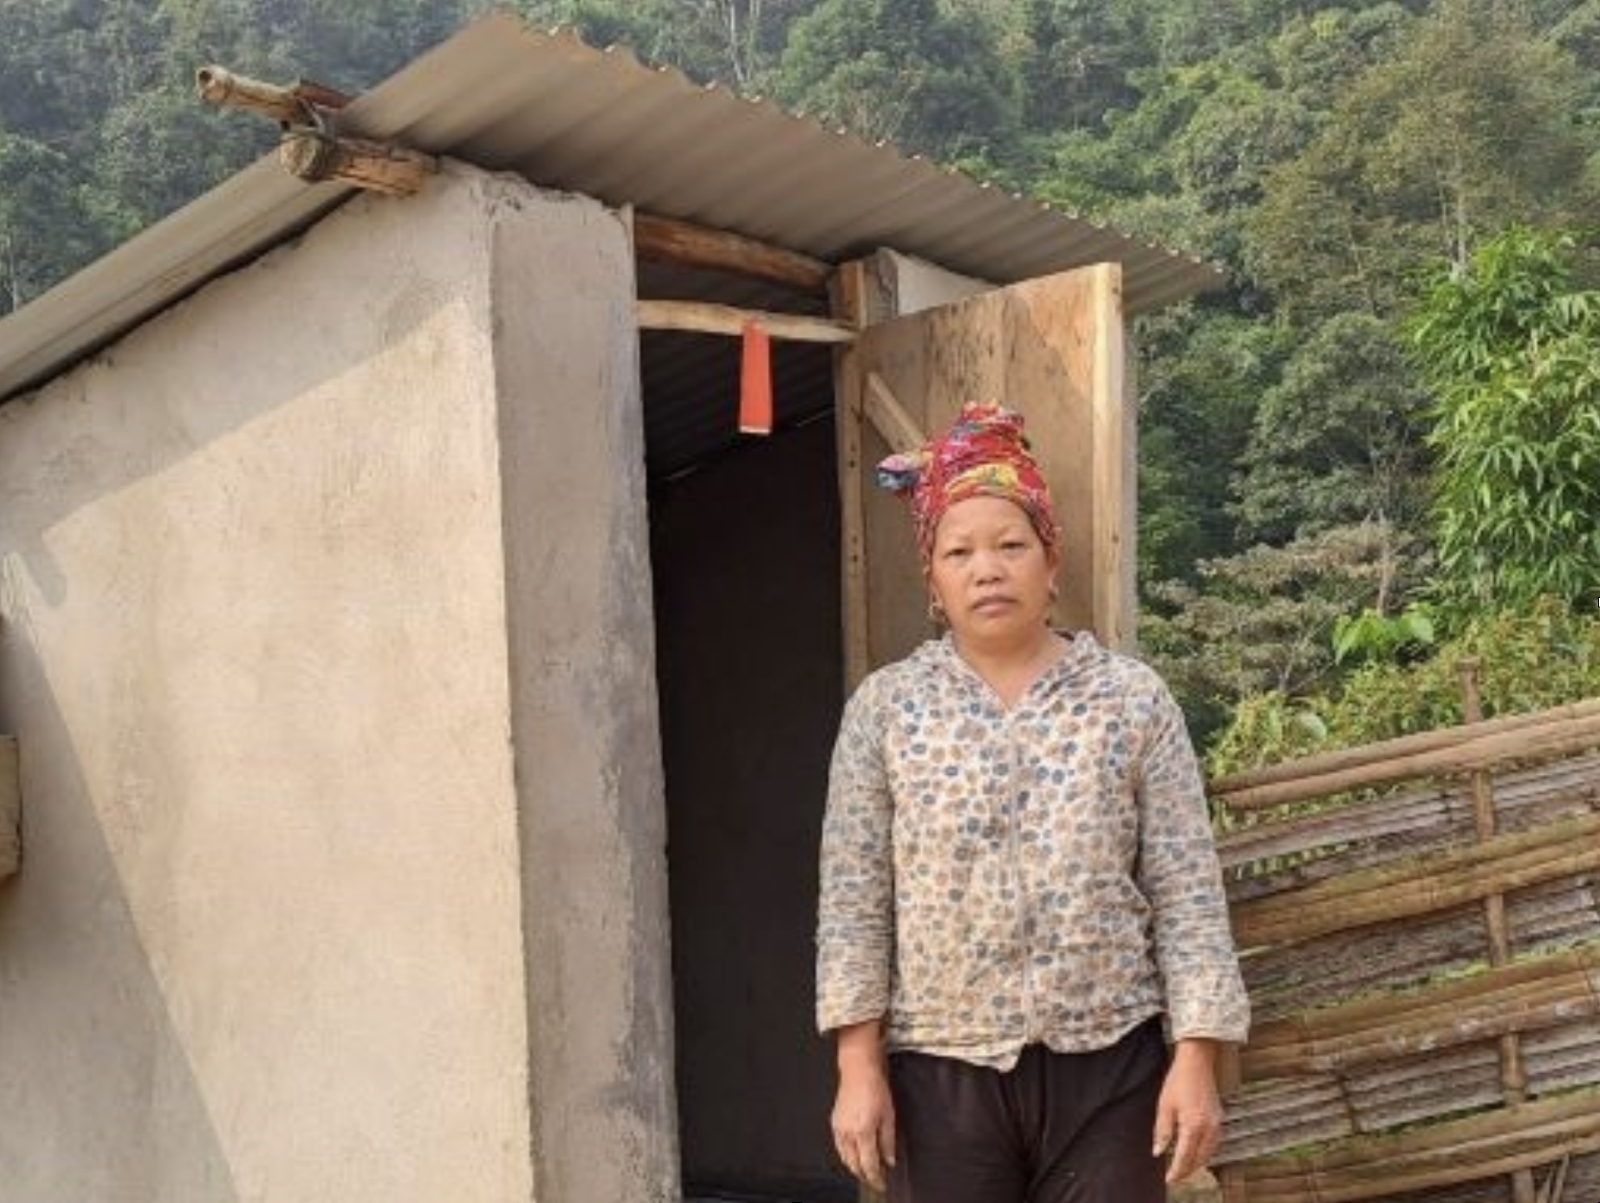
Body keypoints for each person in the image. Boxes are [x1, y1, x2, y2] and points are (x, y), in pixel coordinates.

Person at [815, 402, 1249, 1203]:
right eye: (960, 552)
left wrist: (1196, 1056)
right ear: (933, 581)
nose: (988, 567)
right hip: (939, 1074)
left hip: (1111, 1066)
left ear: (1051, 563)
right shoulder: (887, 709)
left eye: (1012, 545)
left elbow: (1187, 887)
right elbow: (854, 898)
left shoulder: (1130, 699)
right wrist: (857, 1064)